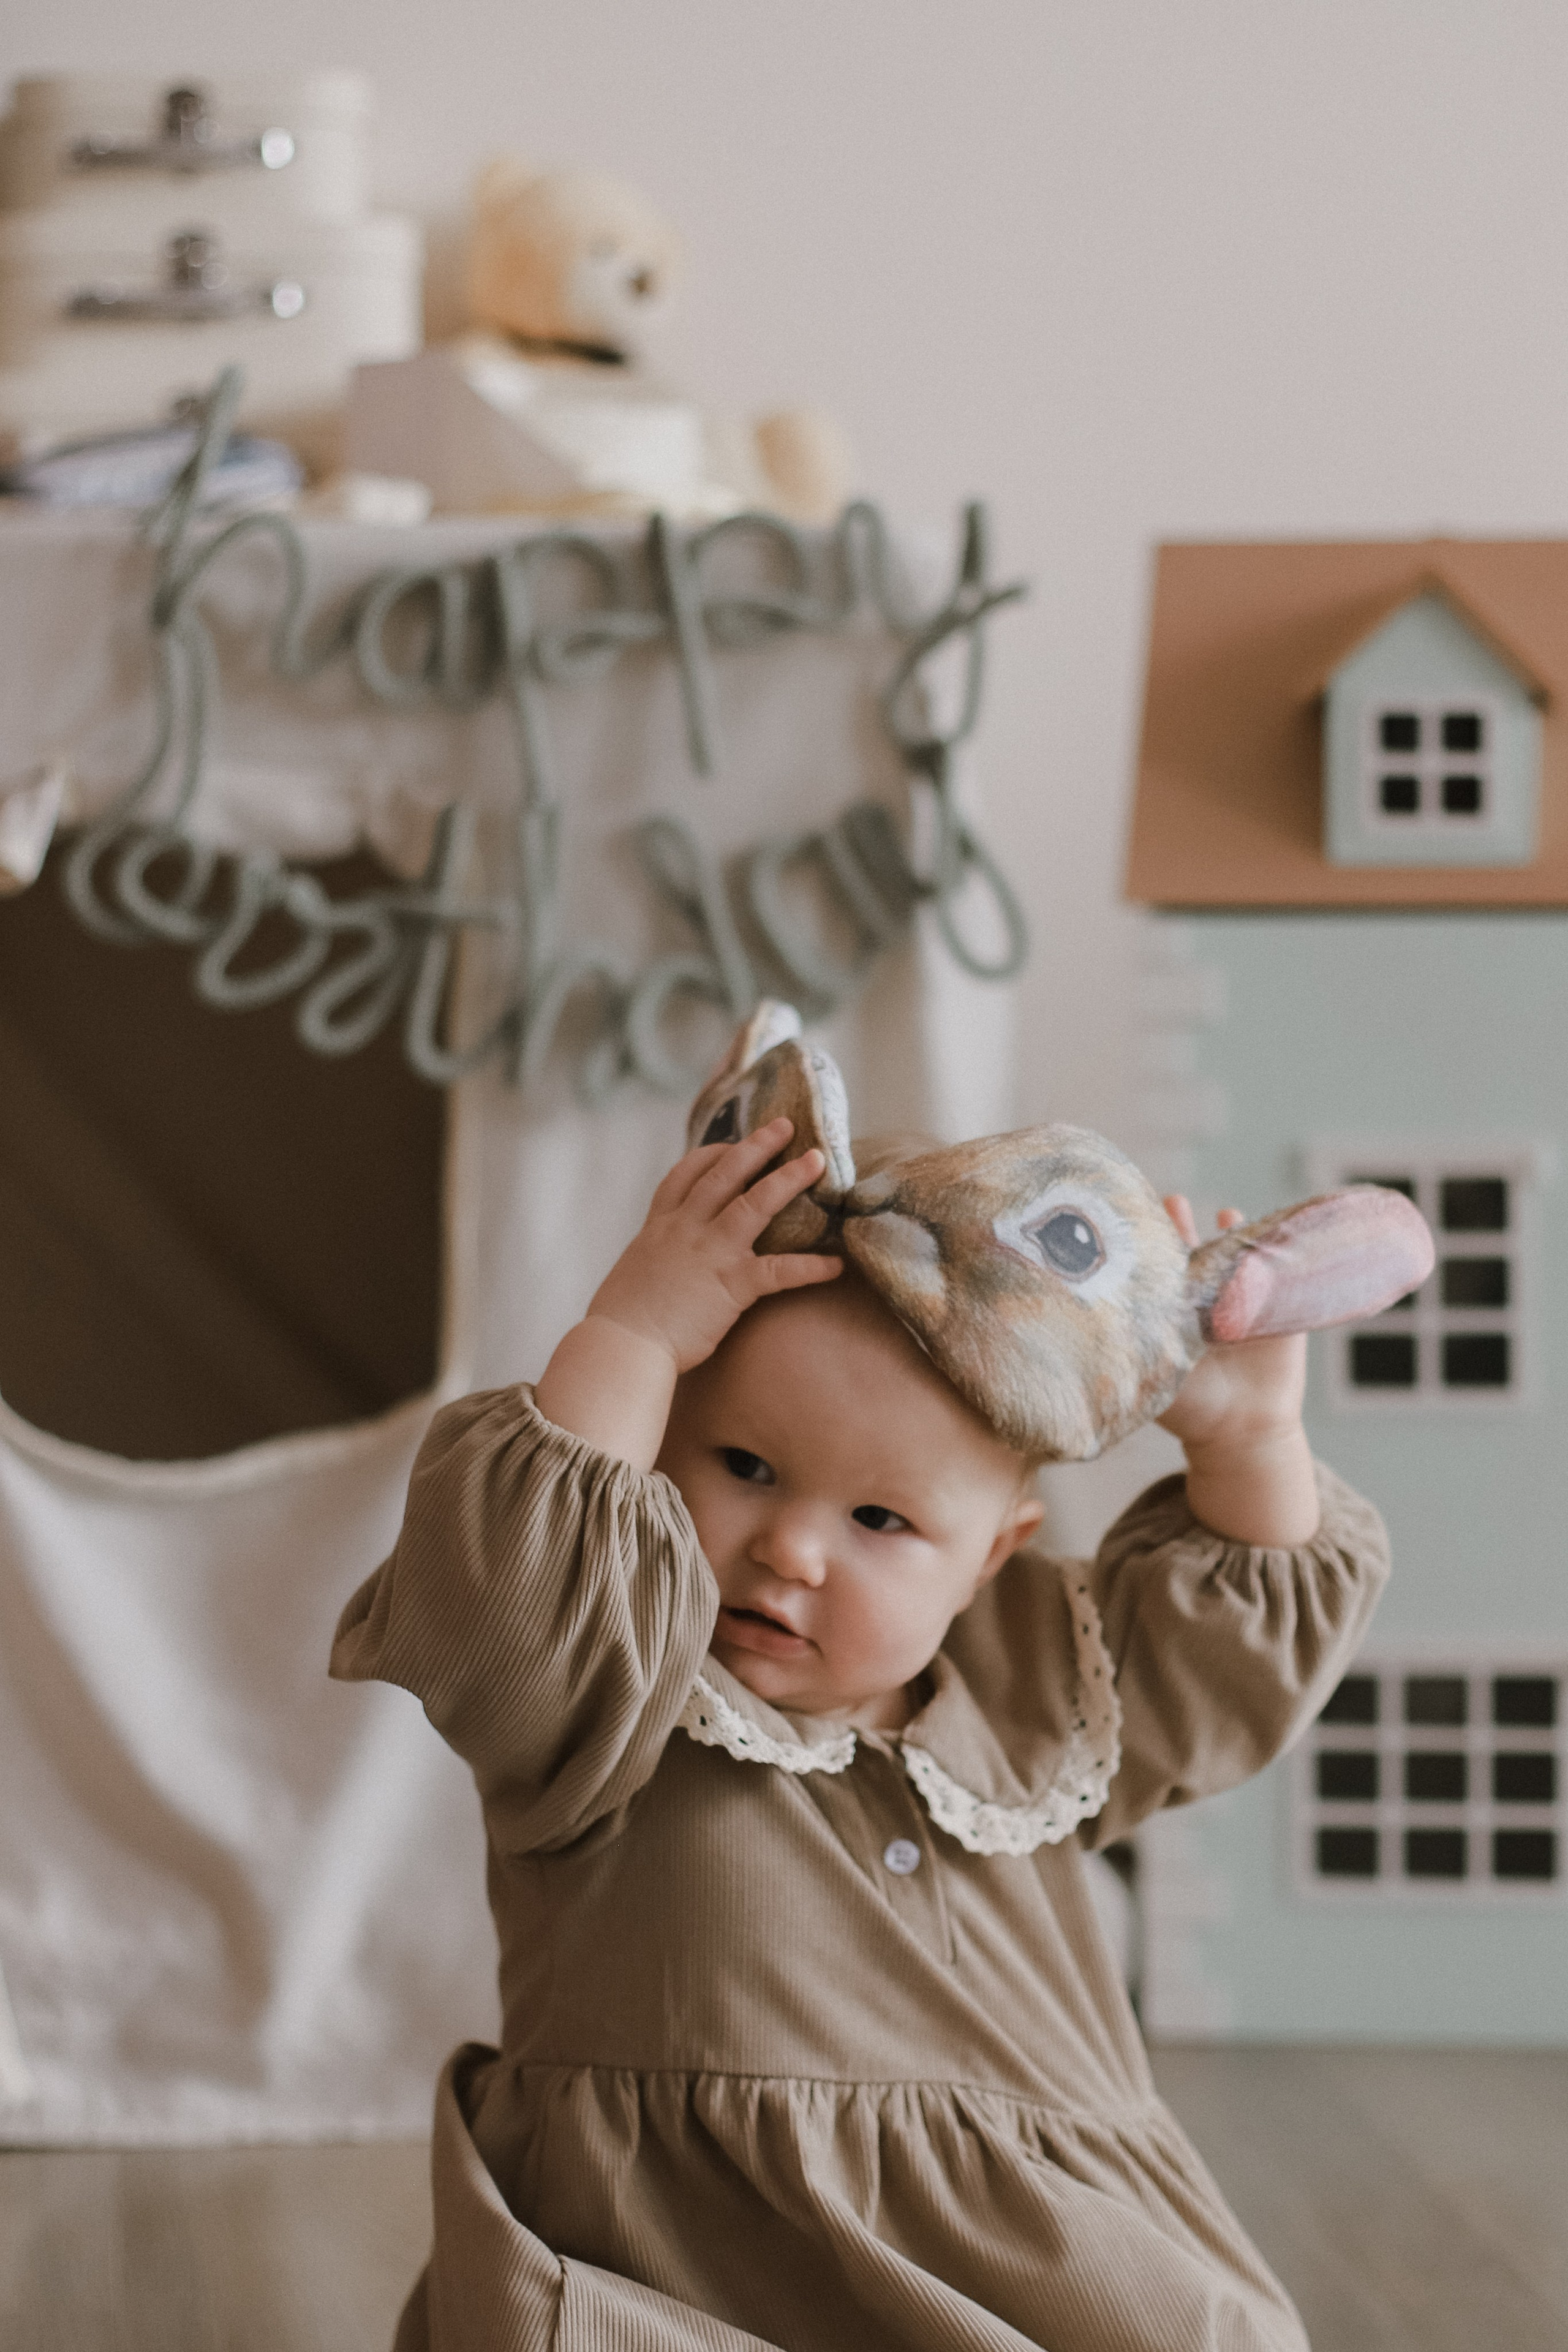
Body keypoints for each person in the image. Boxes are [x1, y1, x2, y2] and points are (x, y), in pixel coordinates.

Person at [331, 1114, 1390, 2352]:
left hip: (1042, 2260)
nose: (790, 1549)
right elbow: (513, 1585)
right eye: (740, 1464)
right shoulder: (612, 1689)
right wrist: (630, 1334)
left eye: (881, 1519)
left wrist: (1247, 1438)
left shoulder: (1041, 1691)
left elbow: (1234, 1657)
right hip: (680, 2261)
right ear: (656, 1449)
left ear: (990, 1558)